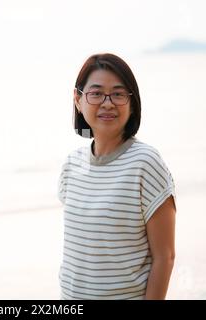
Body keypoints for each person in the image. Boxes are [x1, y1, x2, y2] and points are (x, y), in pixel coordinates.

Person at [57, 53, 177, 300]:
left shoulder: (146, 163)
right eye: (97, 93)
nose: (108, 103)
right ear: (78, 99)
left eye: (119, 94)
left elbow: (165, 257)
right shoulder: (71, 164)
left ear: (132, 103)